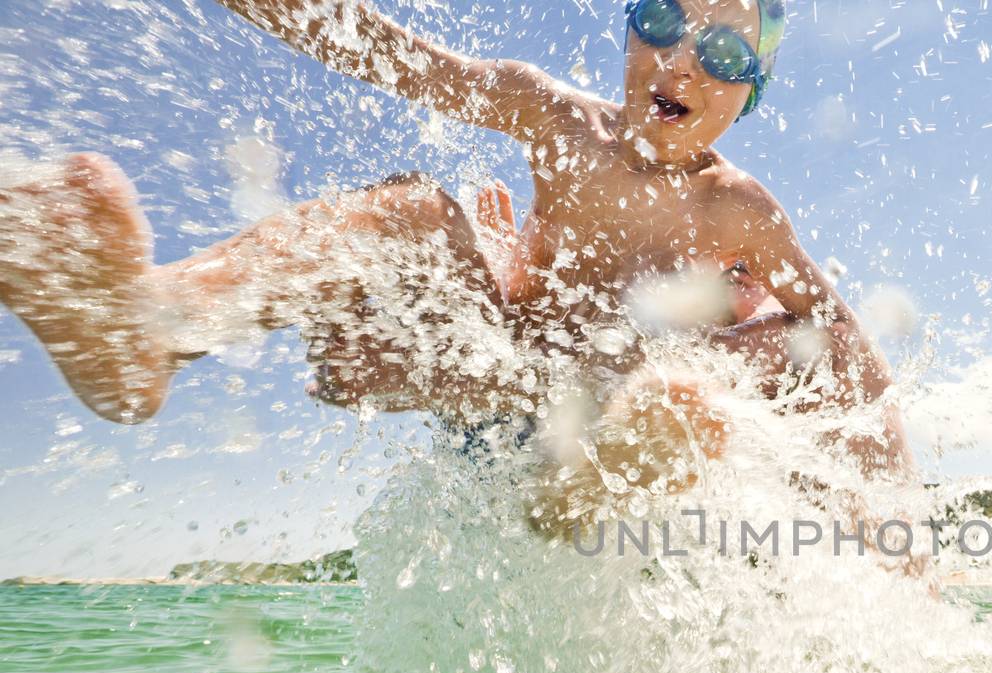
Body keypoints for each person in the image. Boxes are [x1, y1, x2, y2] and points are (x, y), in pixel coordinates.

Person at [0, 0, 914, 523]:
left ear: (748, 96)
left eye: (721, 52)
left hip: (611, 417)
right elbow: (397, 60)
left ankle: (596, 481)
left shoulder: (738, 210)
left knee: (737, 352)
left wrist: (894, 518)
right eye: (662, 17)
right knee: (415, 213)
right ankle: (147, 328)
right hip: (496, 381)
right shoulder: (556, 117)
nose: (680, 57)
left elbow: (838, 340)